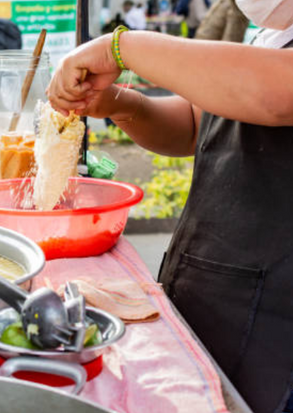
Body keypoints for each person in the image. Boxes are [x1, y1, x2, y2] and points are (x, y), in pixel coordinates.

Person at [47, 1, 293, 412]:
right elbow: (195, 127)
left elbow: (276, 95)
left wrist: (118, 49)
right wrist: (124, 105)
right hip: (214, 299)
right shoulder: (269, 38)